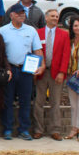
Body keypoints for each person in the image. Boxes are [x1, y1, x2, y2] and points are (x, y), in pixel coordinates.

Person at [0, 4, 45, 140]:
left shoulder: (31, 31)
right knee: (8, 101)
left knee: (25, 101)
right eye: (18, 13)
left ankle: (24, 129)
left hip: (26, 70)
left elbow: (37, 50)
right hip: (10, 70)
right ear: (11, 15)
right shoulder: (3, 31)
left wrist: (41, 65)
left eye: (23, 13)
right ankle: (7, 129)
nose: (21, 15)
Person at [32, 9, 70, 140]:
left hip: (56, 74)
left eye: (57, 16)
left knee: (55, 102)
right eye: (52, 16)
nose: (55, 18)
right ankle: (38, 129)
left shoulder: (64, 35)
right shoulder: (38, 33)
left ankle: (55, 130)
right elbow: (33, 51)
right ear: (46, 18)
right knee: (38, 102)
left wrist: (62, 72)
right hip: (41, 72)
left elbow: (66, 55)